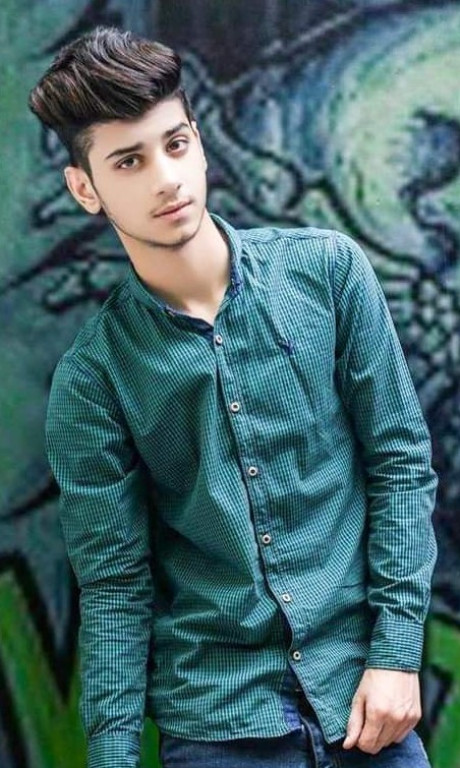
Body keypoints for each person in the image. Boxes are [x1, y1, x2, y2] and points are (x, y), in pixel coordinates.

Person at [29, 25, 437, 768]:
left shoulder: (327, 274)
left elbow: (399, 462)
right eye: (129, 161)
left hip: (366, 700)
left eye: (175, 143)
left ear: (200, 143)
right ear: (85, 188)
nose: (166, 178)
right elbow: (116, 585)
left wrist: (396, 653)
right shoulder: (94, 379)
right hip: (219, 724)